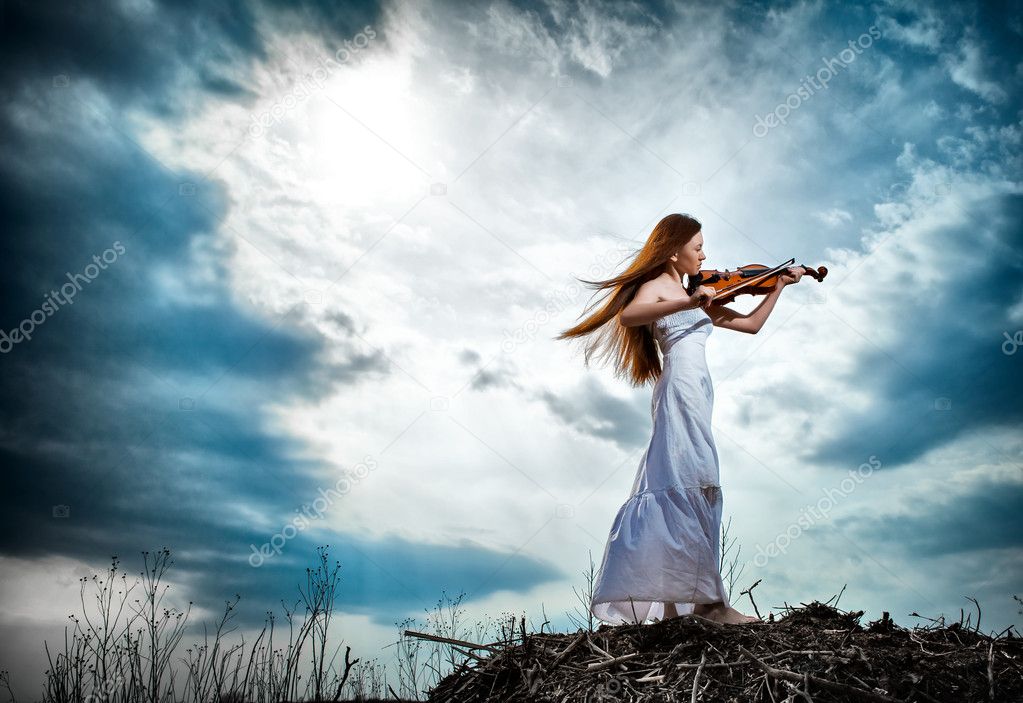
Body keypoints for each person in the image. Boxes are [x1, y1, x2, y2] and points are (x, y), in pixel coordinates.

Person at [556, 213, 803, 625]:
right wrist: (690, 301)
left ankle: (676, 607)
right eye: (698, 246)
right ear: (674, 251)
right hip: (679, 390)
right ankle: (709, 605)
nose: (704, 254)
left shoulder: (699, 294)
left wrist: (777, 286)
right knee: (688, 478)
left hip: (699, 391)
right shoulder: (663, 289)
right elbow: (630, 316)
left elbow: (752, 325)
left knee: (691, 480)